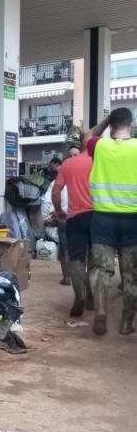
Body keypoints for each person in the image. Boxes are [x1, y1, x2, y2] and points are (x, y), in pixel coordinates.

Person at [86, 107, 137, 335]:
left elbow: (86, 136)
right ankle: (127, 322)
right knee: (131, 273)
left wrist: (106, 120)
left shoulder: (100, 145)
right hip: (133, 220)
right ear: (132, 124)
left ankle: (101, 311)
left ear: (112, 124)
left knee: (100, 269)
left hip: (103, 218)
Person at [53, 134, 94, 314]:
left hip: (75, 217)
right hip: (99, 216)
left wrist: (58, 210)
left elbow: (56, 191)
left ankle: (79, 297)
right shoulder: (100, 161)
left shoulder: (68, 163)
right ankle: (92, 297)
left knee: (77, 258)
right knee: (95, 259)